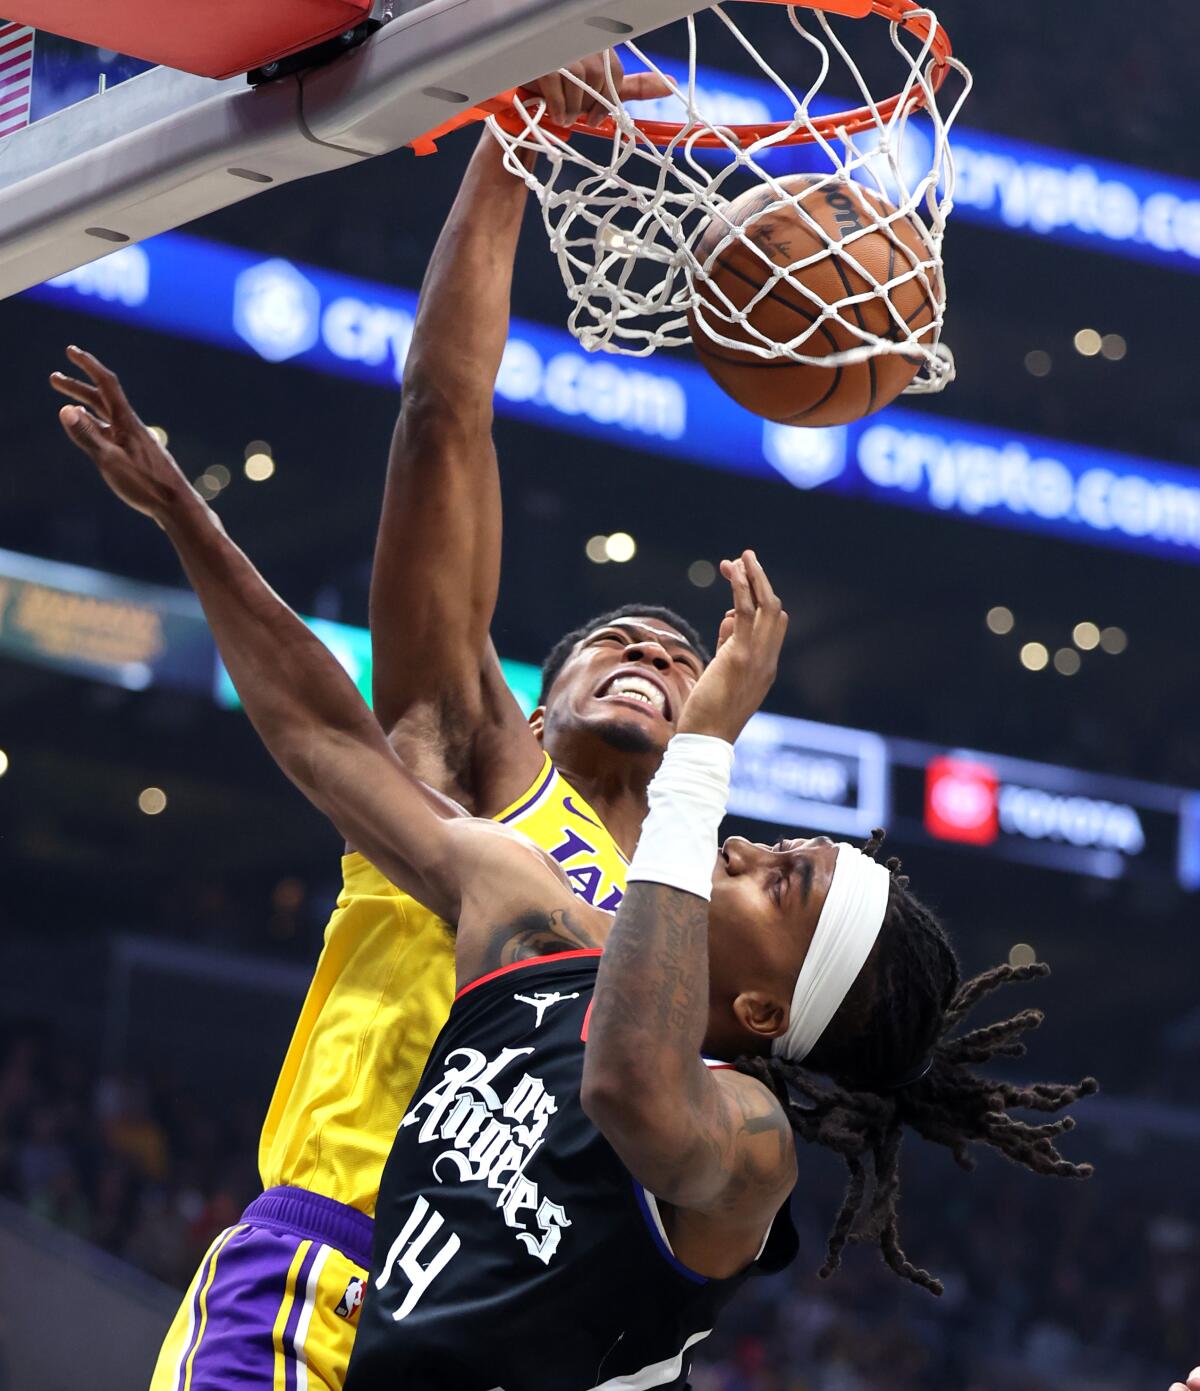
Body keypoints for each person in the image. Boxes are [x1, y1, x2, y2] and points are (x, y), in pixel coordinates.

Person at [55, 354, 1096, 1391]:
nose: (741, 846)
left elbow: (631, 1083)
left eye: (779, 878)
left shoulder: (751, 1142)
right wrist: (183, 514)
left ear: (763, 1004)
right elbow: (331, 741)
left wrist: (702, 757)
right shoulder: (544, 923)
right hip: (310, 1320)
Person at [50, 60, 689, 1391]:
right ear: (542, 689)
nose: (647, 658)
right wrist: (509, 147)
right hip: (327, 1277)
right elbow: (442, 420)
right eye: (615, 644)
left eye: (679, 660)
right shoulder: (472, 763)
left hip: (491, 1348)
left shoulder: (681, 939)